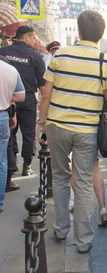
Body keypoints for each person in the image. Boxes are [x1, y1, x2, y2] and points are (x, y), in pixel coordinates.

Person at [37, 10, 107, 253]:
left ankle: (61, 228)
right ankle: (83, 240)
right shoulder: (106, 61)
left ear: (79, 31)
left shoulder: (60, 55)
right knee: (83, 183)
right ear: (101, 34)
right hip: (87, 130)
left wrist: (42, 123)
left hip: (57, 126)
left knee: (60, 177)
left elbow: (45, 94)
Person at [0, 26, 46, 176]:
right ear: (26, 38)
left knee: (10, 132)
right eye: (33, 37)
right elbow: (43, 86)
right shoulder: (36, 56)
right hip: (27, 98)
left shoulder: (4, 51)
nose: (35, 41)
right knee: (28, 133)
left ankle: (12, 166)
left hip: (7, 98)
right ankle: (27, 165)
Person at [0, 58, 26, 213]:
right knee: (1, 161)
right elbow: (21, 96)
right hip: (2, 117)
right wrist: (6, 97)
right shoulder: (10, 69)